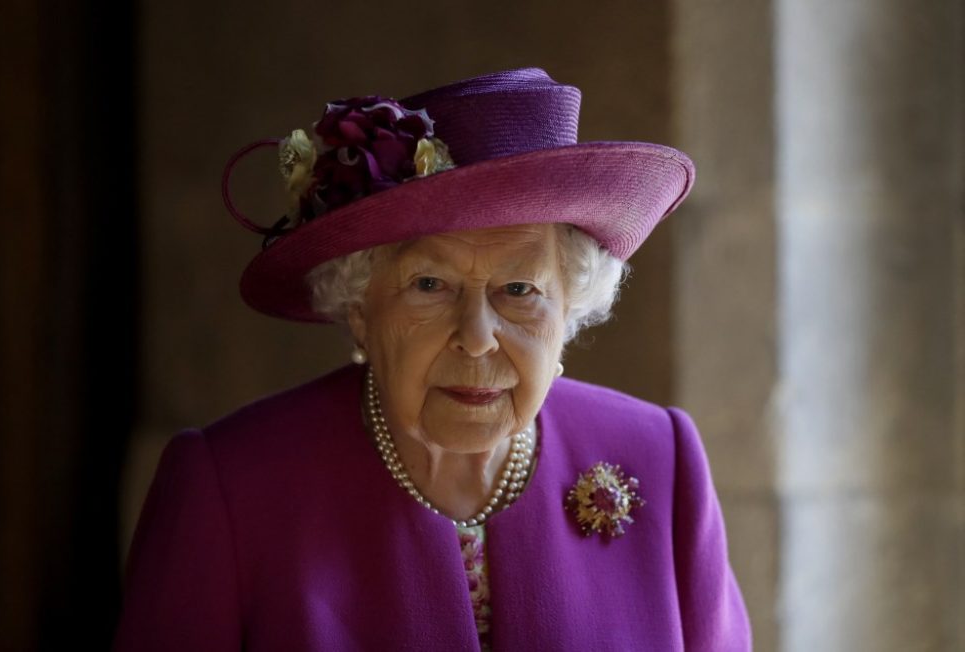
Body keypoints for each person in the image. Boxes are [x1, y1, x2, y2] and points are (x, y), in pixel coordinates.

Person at [113, 68, 751, 651]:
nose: (476, 337)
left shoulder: (659, 458)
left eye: (520, 290)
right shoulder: (230, 486)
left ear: (570, 309)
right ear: (359, 304)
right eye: (429, 285)